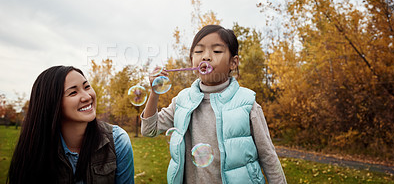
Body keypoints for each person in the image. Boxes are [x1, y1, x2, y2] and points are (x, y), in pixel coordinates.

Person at [141, 25, 286, 184]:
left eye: (216, 51)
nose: (206, 57)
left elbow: (268, 155)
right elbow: (149, 129)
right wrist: (155, 93)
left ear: (233, 62)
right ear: (191, 61)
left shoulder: (246, 103)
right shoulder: (182, 100)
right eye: (199, 51)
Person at [7, 66, 135, 184]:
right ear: (52, 103)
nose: (87, 97)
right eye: (73, 92)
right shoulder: (34, 146)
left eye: (87, 87)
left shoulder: (117, 141)